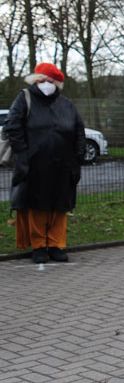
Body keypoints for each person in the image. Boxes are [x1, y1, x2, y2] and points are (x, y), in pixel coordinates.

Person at [4, 62, 85, 264]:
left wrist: (78, 157)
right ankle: (39, 245)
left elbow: (78, 131)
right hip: (34, 163)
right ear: (36, 80)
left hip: (62, 164)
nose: (47, 84)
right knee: (37, 206)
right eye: (43, 80)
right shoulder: (24, 99)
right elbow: (13, 127)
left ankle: (57, 244)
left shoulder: (66, 104)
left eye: (51, 81)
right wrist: (22, 154)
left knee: (59, 206)